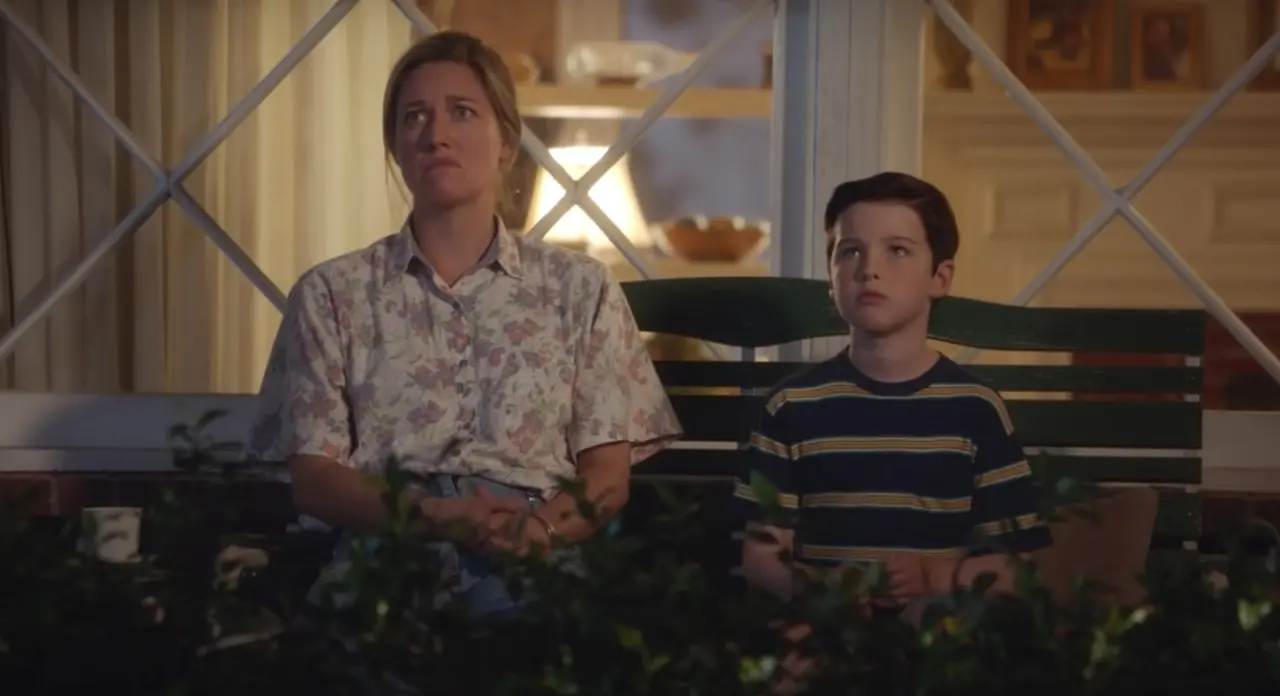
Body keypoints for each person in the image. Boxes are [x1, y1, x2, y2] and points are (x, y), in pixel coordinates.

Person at [248, 30, 681, 621]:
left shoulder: (580, 289)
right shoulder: (331, 295)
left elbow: (607, 475)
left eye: (462, 112)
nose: (436, 135)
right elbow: (314, 478)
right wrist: (429, 515)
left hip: (535, 547)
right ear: (395, 148)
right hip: (389, 546)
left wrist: (540, 533)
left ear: (506, 142)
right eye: (414, 117)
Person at [734, 171, 1052, 608]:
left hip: (938, 634)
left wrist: (935, 577)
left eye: (897, 250)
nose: (869, 269)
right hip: (829, 629)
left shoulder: (975, 408)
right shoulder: (792, 406)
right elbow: (760, 557)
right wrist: (825, 591)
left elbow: (1020, 563)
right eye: (850, 251)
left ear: (940, 277)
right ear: (831, 278)